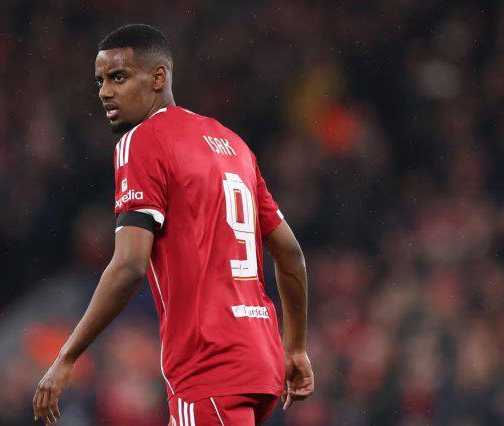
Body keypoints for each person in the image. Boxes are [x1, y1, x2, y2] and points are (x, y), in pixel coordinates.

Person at [32, 23, 314, 425]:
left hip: (208, 365)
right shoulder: (234, 146)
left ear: (158, 77)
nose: (105, 91)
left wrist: (67, 356)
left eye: (118, 77)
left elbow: (129, 266)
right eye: (100, 81)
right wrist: (295, 348)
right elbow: (290, 254)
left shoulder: (141, 142)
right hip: (259, 359)